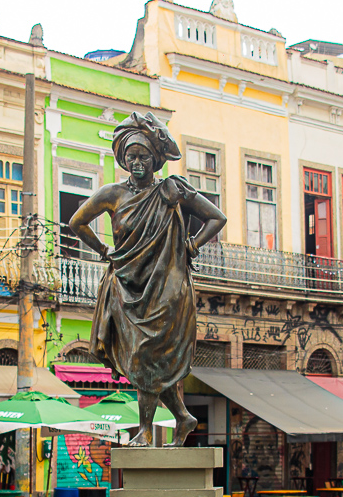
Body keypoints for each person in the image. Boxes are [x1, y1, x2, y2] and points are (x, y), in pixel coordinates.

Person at [67, 113, 228, 446]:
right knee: (150, 361)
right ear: (123, 159)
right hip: (127, 286)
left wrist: (192, 245)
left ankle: (145, 431)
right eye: (130, 156)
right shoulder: (111, 194)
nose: (136, 161)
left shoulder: (172, 190)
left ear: (155, 159)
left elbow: (216, 217)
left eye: (142, 156)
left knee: (144, 356)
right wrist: (103, 250)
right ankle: (183, 417)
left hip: (166, 290)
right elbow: (76, 222)